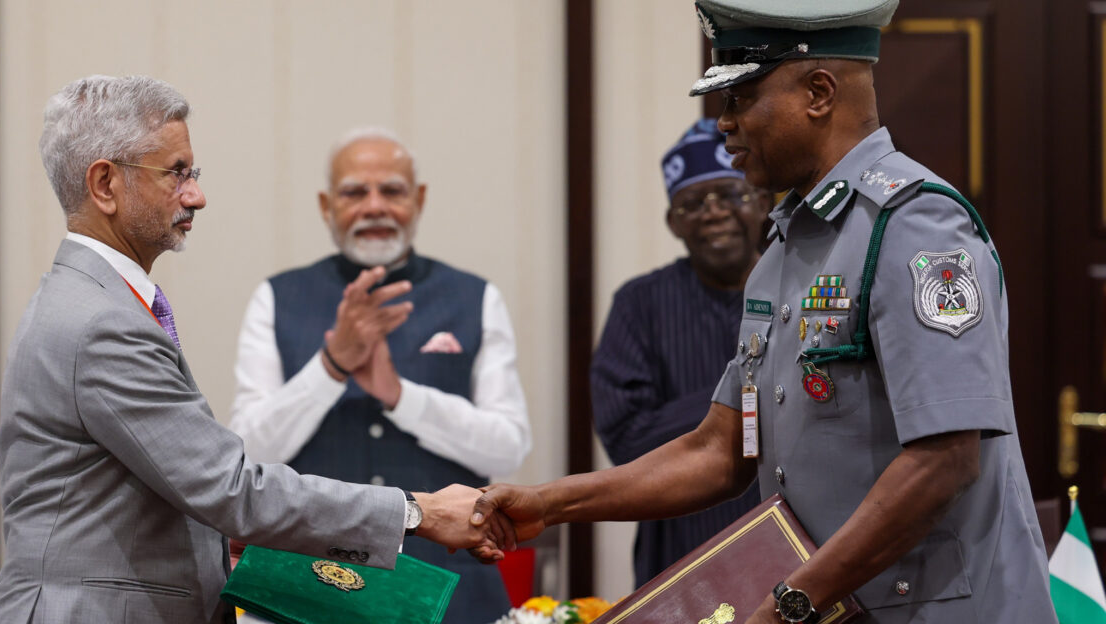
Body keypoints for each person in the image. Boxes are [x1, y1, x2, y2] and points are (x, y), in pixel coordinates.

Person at [471, 1, 1059, 622]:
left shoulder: (914, 224)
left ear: (819, 92)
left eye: (741, 98)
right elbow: (720, 450)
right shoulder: (785, 248)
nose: (723, 124)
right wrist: (548, 502)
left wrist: (793, 602)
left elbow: (945, 459)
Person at [0, 76, 504, 624]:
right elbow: (231, 487)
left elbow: (173, 486)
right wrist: (416, 512)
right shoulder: (102, 320)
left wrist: (212, 541)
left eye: (194, 174)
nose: (196, 196)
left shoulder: (89, 299)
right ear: (106, 184)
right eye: (176, 173)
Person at [229, 127, 530, 623]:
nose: (374, 206)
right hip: (312, 588)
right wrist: (331, 367)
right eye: (354, 192)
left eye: (391, 190)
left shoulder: (475, 298)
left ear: (420, 199)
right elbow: (248, 454)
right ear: (327, 205)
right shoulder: (277, 297)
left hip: (454, 588)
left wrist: (400, 396)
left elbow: (508, 447)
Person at [592, 118, 768, 587]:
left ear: (762, 203)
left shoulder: (806, 285)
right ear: (673, 223)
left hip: (797, 538)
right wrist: (749, 395)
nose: (712, 213)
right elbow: (628, 439)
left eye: (729, 195)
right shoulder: (640, 304)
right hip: (682, 548)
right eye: (692, 204)